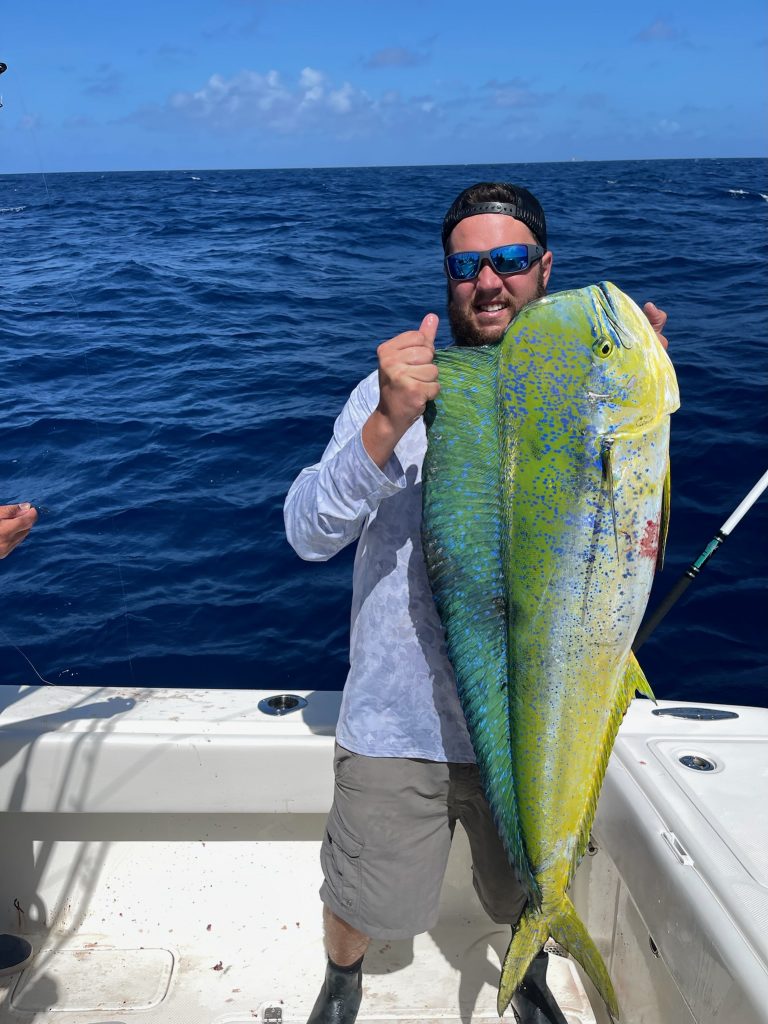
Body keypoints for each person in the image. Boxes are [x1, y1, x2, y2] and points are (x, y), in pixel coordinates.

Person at [284, 183, 668, 1024]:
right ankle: (342, 978)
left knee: (523, 888)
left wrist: (632, 380)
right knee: (359, 901)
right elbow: (306, 533)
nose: (489, 281)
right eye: (467, 264)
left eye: (510, 259)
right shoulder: (392, 394)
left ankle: (527, 965)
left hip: (538, 722)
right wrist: (386, 422)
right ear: (447, 276)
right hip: (399, 727)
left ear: (543, 268)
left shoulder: (580, 406)